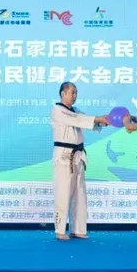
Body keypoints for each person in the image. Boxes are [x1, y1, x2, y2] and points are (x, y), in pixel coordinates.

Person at [50, 82, 109, 241]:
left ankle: (78, 229)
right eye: (72, 92)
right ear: (63, 93)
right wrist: (97, 118)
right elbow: (78, 120)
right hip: (64, 156)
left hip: (78, 155)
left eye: (76, 93)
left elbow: (85, 120)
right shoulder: (57, 109)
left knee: (80, 193)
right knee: (63, 193)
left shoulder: (76, 111)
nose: (74, 96)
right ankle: (60, 230)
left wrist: (103, 120)